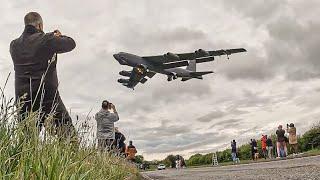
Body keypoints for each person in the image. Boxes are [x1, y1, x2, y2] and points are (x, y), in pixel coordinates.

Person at [10, 12, 76, 138]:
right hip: (47, 98)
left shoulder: (13, 45)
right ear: (39, 25)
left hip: (23, 100)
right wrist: (57, 36)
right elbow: (71, 43)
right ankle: (71, 158)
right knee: (69, 137)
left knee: (26, 143)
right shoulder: (47, 39)